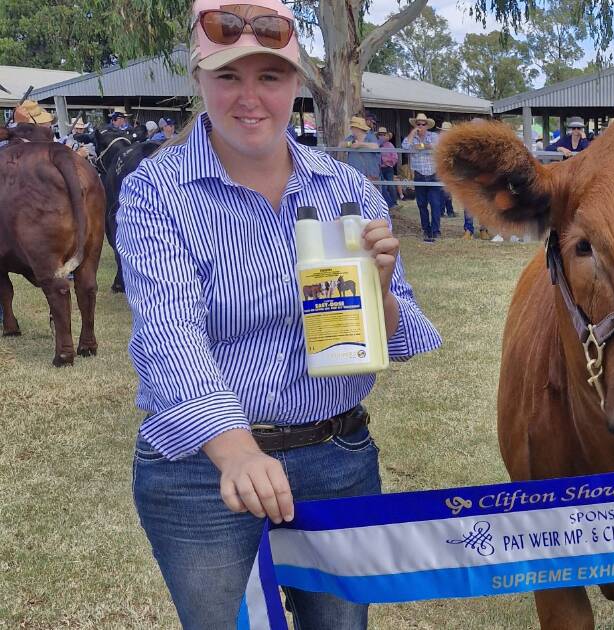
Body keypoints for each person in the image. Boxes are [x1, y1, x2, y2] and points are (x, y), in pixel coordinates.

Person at [115, 1, 442, 628]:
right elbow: (167, 331)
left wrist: (379, 297)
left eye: (270, 76)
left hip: (337, 455)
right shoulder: (156, 191)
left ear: (295, 83)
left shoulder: (344, 188)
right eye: (228, 76)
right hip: (201, 472)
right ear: (198, 78)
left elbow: (395, 338)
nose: (250, 98)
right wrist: (236, 452)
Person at [401, 112, 444, 242]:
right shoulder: (412, 137)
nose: (420, 126)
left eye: (423, 124)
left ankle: (435, 231)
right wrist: (413, 133)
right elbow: (405, 147)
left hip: (433, 174)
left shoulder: (434, 136)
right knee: (421, 204)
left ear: (427, 125)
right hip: (419, 175)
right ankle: (426, 230)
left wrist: (422, 146)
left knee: (435, 204)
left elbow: (437, 146)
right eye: (418, 124)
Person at [343, 115, 380, 181]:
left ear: (357, 128)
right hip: (354, 175)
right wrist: (350, 144)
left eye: (352, 127)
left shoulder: (370, 137)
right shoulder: (351, 138)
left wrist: (360, 144)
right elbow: (341, 145)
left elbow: (375, 146)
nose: (351, 129)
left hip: (370, 175)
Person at [438, 121, 458, 218]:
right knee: (444, 190)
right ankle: (446, 211)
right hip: (443, 168)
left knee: (446, 190)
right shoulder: (443, 142)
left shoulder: (447, 142)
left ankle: (446, 210)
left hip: (447, 168)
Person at [376, 126, 399, 208]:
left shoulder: (390, 145)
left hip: (388, 168)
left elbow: (395, 157)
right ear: (378, 135)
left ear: (386, 136)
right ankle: (385, 203)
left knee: (391, 185)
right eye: (380, 134)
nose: (381, 136)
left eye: (383, 134)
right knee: (381, 186)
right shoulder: (376, 145)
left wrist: (388, 162)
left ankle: (394, 202)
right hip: (379, 168)